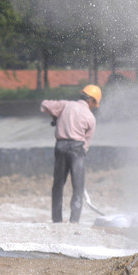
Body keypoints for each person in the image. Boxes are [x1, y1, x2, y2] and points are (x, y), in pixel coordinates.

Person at [41, 85, 101, 223]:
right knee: (78, 188)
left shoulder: (65, 105)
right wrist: (79, 153)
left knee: (58, 185)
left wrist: (54, 116)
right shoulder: (90, 117)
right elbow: (86, 143)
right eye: (94, 104)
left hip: (60, 147)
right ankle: (74, 222)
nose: (93, 107)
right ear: (91, 100)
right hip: (77, 150)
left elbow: (45, 104)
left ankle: (56, 220)